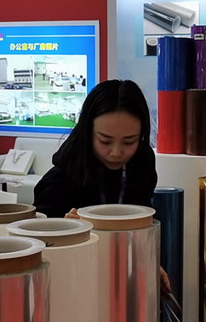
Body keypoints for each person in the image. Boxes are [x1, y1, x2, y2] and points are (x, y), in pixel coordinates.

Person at [33, 79, 157, 218]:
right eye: (105, 141)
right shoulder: (60, 180)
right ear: (87, 132)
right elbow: (37, 226)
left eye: (129, 142)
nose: (116, 153)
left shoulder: (142, 161)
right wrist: (63, 226)